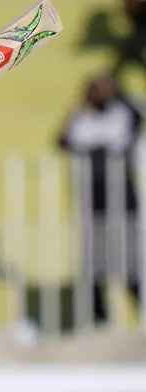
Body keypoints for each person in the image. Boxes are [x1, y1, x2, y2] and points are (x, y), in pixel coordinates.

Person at [57, 72, 143, 327]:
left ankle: (140, 313)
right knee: (95, 263)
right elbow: (63, 140)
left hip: (123, 200)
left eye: (106, 89)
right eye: (96, 89)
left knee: (129, 261)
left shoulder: (122, 113)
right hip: (93, 201)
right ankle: (100, 319)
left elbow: (134, 119)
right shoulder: (82, 118)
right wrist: (83, 106)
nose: (101, 94)